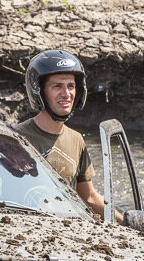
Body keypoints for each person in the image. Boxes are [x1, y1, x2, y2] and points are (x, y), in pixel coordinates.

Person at [16, 50, 119, 219]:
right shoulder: (15, 138)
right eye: (57, 86)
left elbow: (88, 197)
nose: (66, 94)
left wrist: (127, 222)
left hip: (66, 233)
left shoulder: (76, 140)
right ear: (39, 91)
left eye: (71, 86)